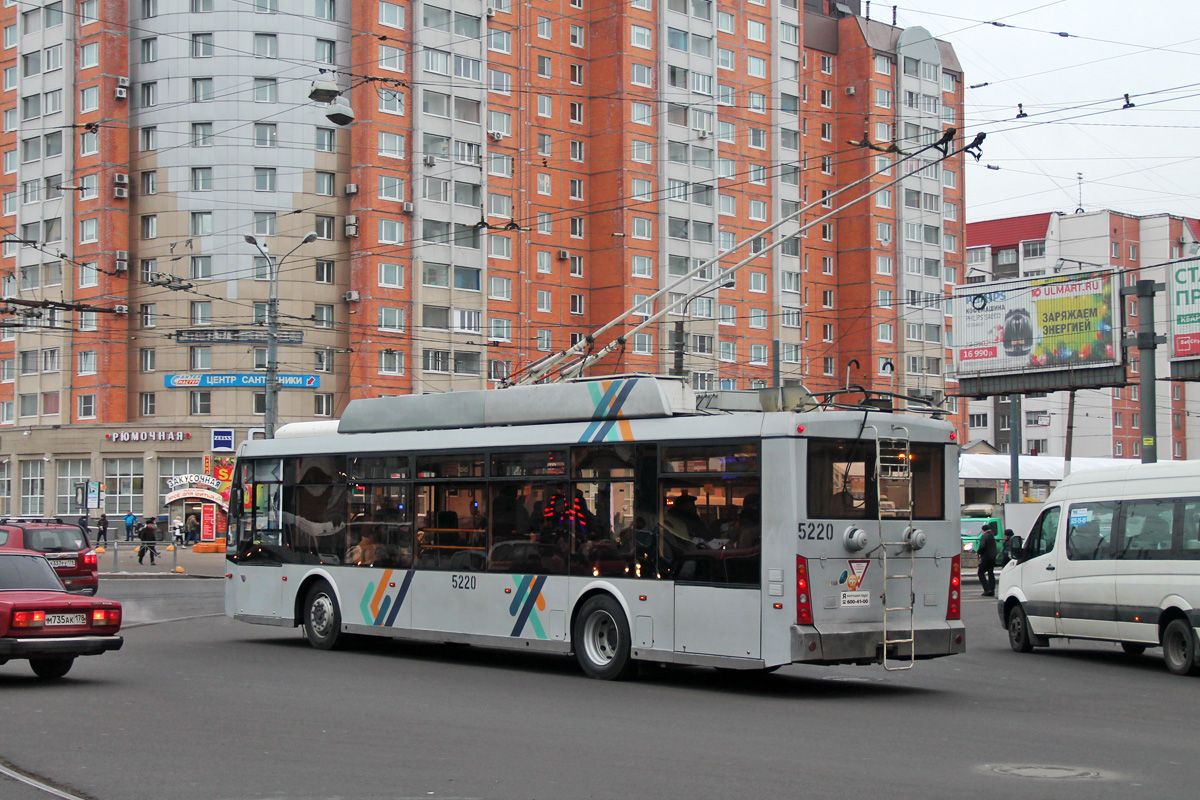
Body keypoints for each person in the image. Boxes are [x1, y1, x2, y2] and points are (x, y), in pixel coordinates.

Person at [977, 521, 998, 596]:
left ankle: (987, 589)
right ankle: (992, 590)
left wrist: (979, 552)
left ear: (983, 530)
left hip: (986, 557)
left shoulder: (984, 536)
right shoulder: (992, 536)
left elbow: (982, 546)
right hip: (992, 557)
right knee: (990, 573)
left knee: (980, 572)